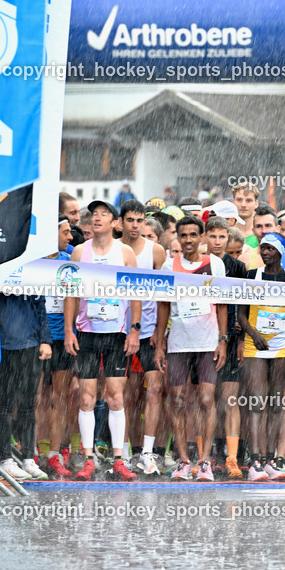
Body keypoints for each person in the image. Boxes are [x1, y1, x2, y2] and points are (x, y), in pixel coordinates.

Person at [63, 200, 140, 481]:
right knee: (86, 397)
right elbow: (71, 293)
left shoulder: (125, 252)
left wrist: (135, 330)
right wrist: (69, 331)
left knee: (115, 396)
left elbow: (136, 293)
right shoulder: (80, 252)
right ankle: (89, 458)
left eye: (104, 214)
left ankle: (119, 459)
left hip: (116, 332)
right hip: (87, 332)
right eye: (94, 214)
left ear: (115, 223)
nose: (97, 218)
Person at [154, 216, 228, 482]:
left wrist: (223, 340)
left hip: (207, 342)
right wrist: (160, 342)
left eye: (193, 235)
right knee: (177, 399)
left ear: (202, 237)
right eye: (183, 235)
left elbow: (222, 303)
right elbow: (164, 305)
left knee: (207, 399)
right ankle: (184, 460)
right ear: (178, 237)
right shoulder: (169, 266)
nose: (188, 240)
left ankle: (205, 461)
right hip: (179, 343)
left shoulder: (214, 264)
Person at [237, 233, 285, 481]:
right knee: (256, 402)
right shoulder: (251, 276)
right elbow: (241, 314)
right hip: (256, 345)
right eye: (262, 248)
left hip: (281, 346)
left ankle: (270, 460)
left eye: (270, 249)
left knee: (276, 404)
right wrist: (253, 334)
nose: (265, 253)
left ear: (281, 252)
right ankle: (254, 460)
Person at [118, 200, 167, 475]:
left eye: (139, 220)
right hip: (118, 330)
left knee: (155, 390)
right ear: (120, 222)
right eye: (130, 220)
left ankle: (148, 453)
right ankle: (124, 452)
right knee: (124, 394)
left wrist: (160, 334)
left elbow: (164, 296)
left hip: (148, 332)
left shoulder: (155, 251)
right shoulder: (113, 250)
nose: (135, 225)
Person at [0, 286, 52, 481]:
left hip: (31, 345)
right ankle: (6, 459)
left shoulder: (32, 274)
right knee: (6, 403)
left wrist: (46, 340)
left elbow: (40, 307)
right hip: (4, 345)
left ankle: (28, 458)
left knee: (28, 404)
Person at [205, 216, 249, 479]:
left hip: (231, 339)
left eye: (222, 236)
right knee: (206, 399)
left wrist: (242, 341)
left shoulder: (238, 267)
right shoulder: (199, 263)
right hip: (203, 338)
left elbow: (244, 305)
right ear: (205, 237)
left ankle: (232, 456)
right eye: (213, 236)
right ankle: (209, 453)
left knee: (230, 398)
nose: (218, 241)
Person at [41, 217, 77, 477]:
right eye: (65, 232)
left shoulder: (71, 259)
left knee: (60, 397)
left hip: (63, 338)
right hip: (38, 337)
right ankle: (36, 452)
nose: (70, 237)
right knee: (37, 398)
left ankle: (55, 454)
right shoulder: (33, 261)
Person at [232, 181, 261, 248]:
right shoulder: (226, 233)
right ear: (233, 202)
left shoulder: (262, 233)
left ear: (256, 204)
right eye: (239, 200)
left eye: (248, 200)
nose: (243, 205)